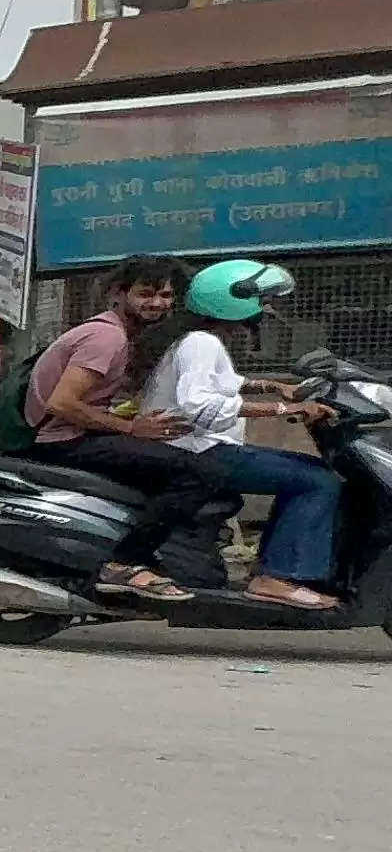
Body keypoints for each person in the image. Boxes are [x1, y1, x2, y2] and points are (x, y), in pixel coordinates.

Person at [139, 257, 344, 609]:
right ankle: (276, 577)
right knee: (317, 480)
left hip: (202, 448)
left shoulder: (199, 340)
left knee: (309, 472)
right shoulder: (202, 343)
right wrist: (283, 409)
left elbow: (224, 383)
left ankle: (278, 567)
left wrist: (272, 386)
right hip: (201, 452)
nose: (266, 309)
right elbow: (199, 406)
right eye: (261, 300)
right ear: (234, 300)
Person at [25, 255, 221, 604]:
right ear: (119, 293)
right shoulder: (106, 337)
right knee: (197, 471)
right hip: (61, 441)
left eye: (165, 295)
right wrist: (131, 427)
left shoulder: (117, 335)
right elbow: (62, 403)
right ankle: (125, 562)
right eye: (146, 294)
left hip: (73, 435)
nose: (157, 303)